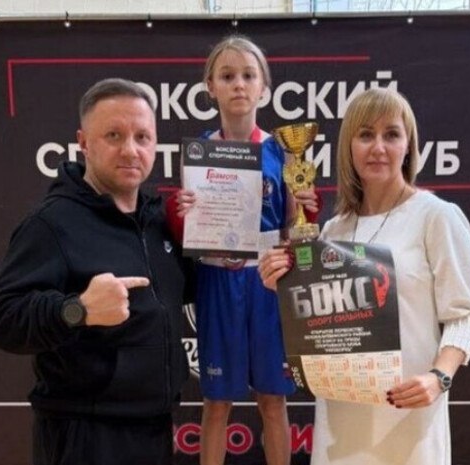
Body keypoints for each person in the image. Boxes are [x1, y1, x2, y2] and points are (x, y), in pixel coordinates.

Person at [258, 87, 470, 465]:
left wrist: (439, 377)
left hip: (409, 418)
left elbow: (465, 315)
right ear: (349, 146)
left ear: (408, 146)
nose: (378, 147)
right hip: (340, 421)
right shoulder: (333, 230)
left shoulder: (436, 216)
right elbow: (320, 326)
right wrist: (283, 284)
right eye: (366, 135)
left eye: (391, 134)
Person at [0, 78, 191, 465]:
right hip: (85, 436)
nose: (130, 149)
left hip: (154, 428)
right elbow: (1, 319)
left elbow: (184, 289)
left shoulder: (157, 220)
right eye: (114, 135)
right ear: (84, 142)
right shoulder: (52, 223)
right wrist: (77, 309)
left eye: (142, 137)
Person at [166, 35, 320, 465]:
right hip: (217, 280)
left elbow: (296, 226)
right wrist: (181, 213)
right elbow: (187, 232)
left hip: (268, 281)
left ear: (263, 87)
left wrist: (308, 207)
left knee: (273, 399)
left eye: (249, 76)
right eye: (228, 75)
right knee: (217, 402)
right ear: (210, 86)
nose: (238, 84)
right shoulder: (199, 151)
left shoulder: (282, 150)